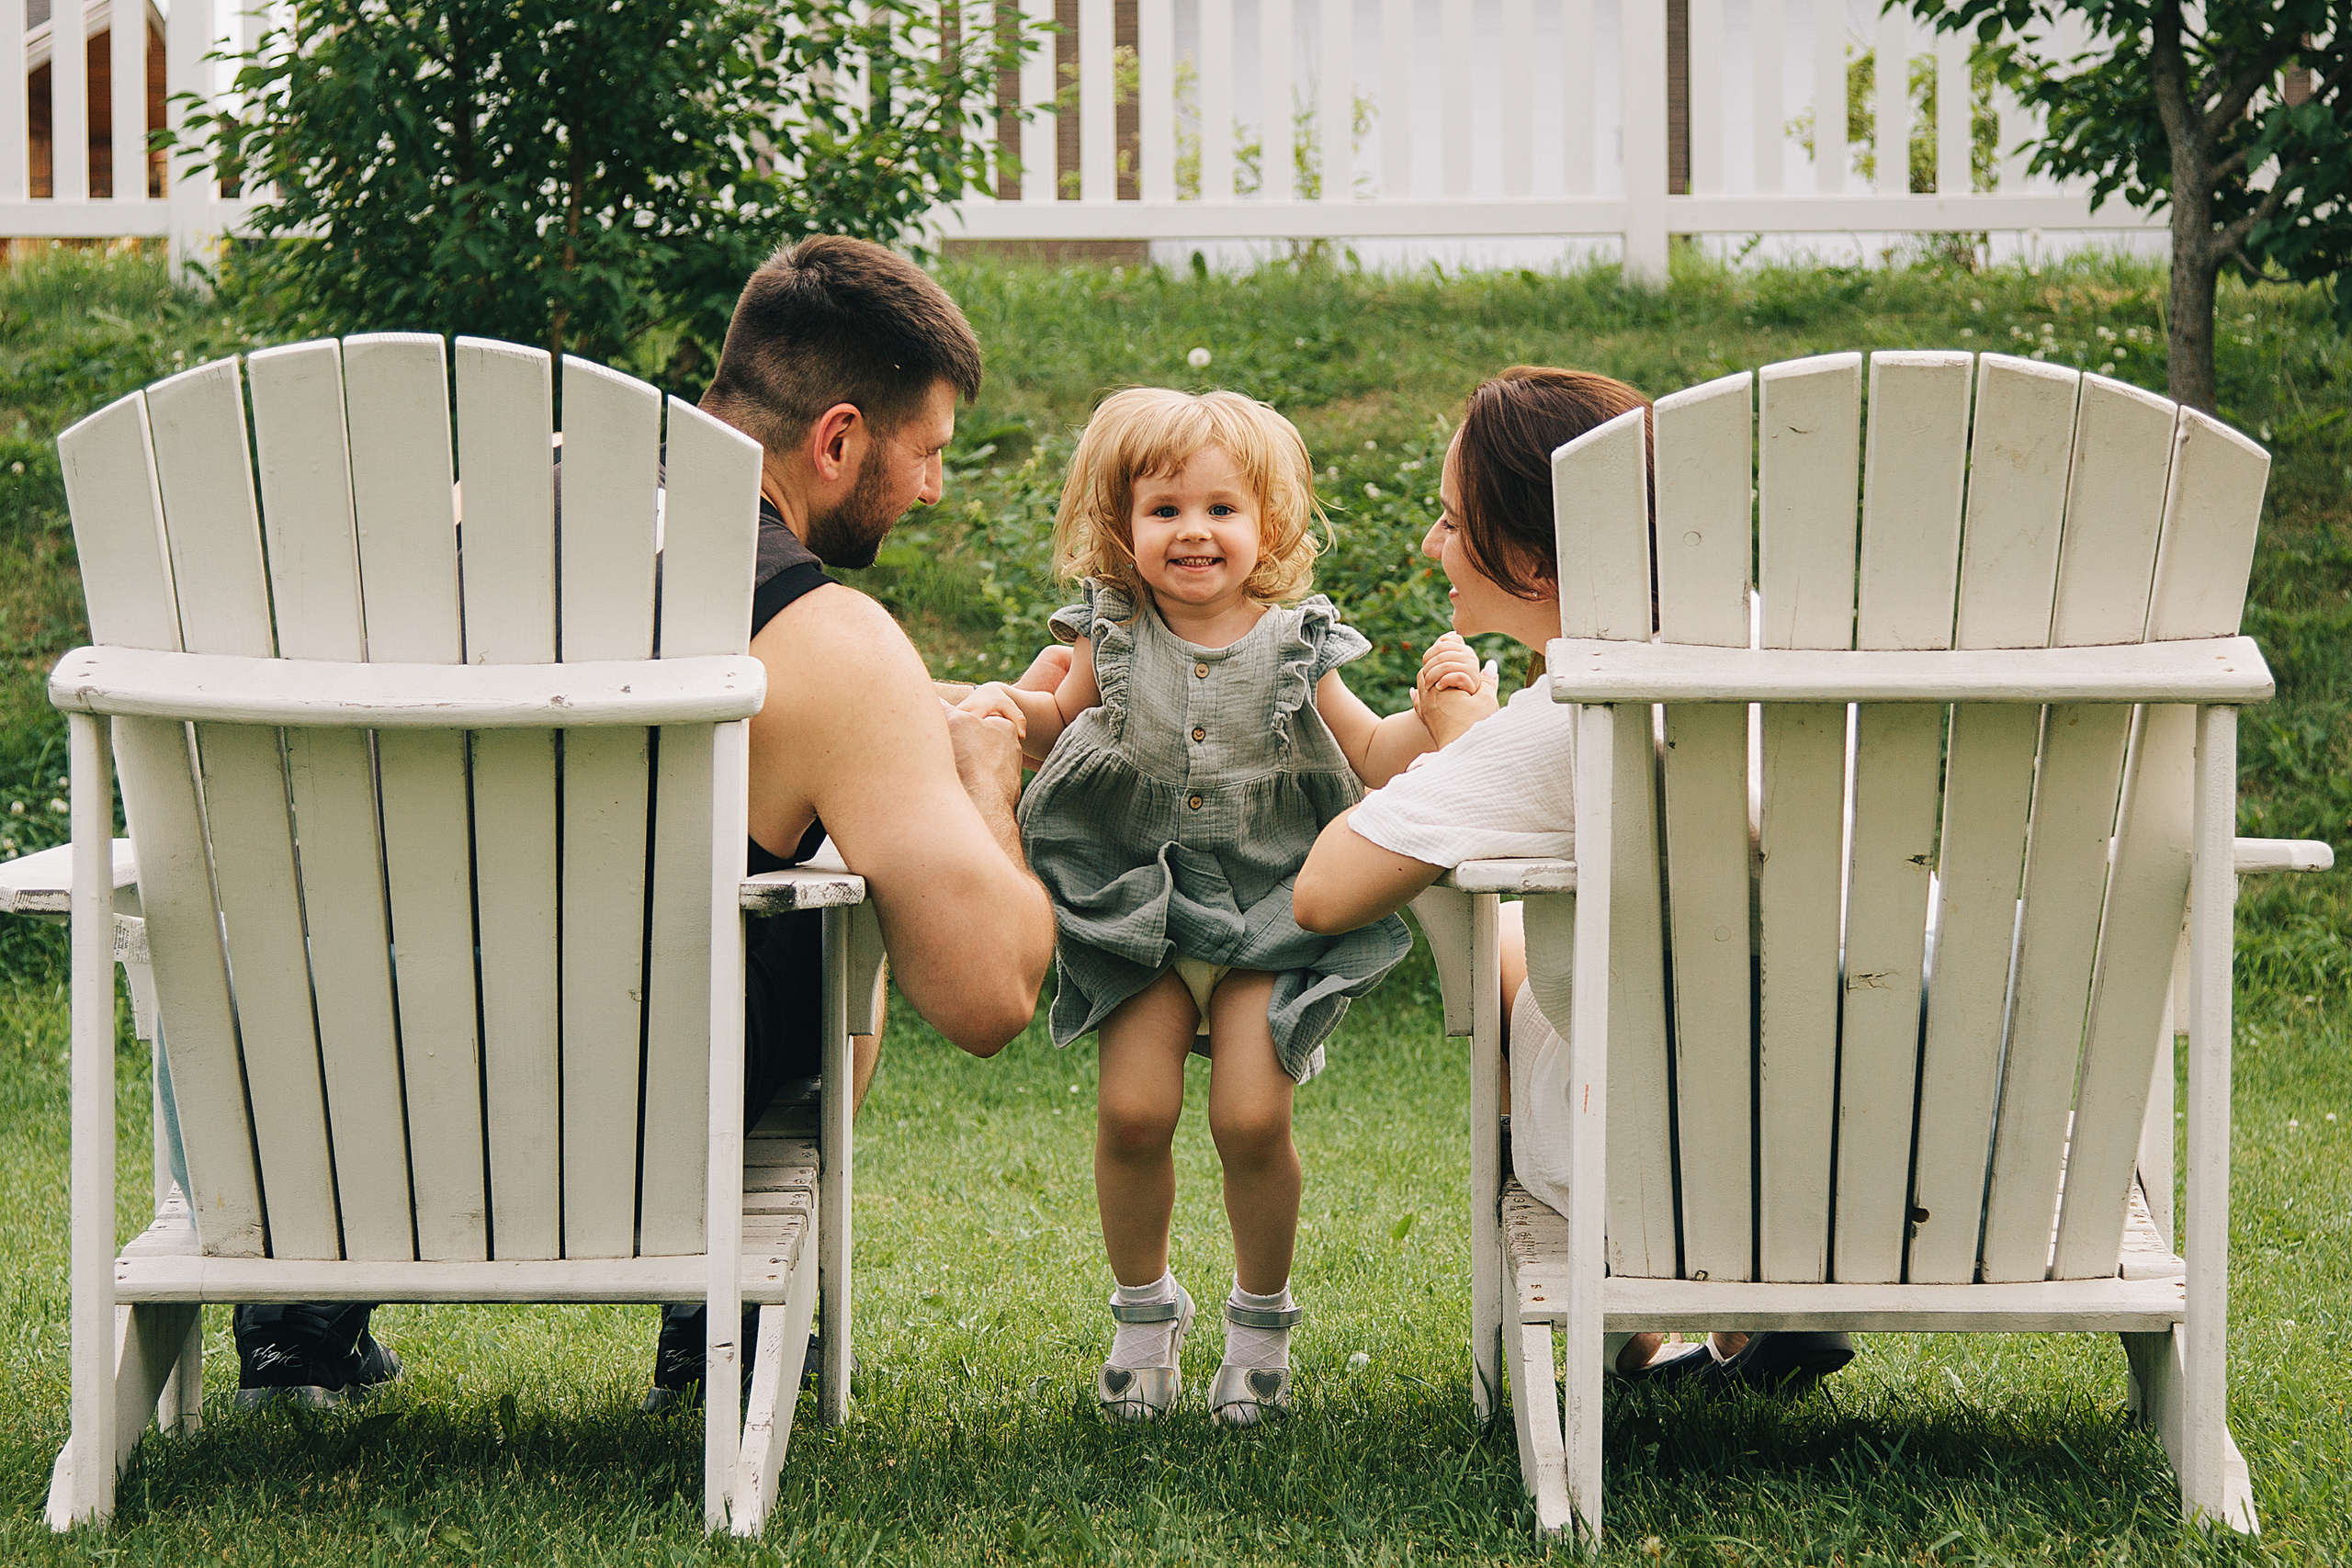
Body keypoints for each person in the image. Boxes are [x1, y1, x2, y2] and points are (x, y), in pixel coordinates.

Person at [1290, 366, 1854, 1394]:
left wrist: (1465, 742)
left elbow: (1325, 889)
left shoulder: (1576, 713)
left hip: (1695, 1172)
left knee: (1510, 961)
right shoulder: (1784, 630)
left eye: (1452, 522)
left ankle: (1620, 1345)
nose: (1431, 545)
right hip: (1930, 1121)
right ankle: (1742, 1329)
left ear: (1533, 558)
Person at [955, 387, 1488, 1425]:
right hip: (1136, 905)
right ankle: (1143, 1315)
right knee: (1132, 1113)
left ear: (1268, 527)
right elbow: (1040, 720)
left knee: (1250, 1117)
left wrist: (1431, 718)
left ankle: (1259, 1324)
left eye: (1221, 510)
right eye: (1164, 512)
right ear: (1121, 528)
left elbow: (1373, 756)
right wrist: (994, 705)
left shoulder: (1297, 644)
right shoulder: (1102, 637)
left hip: (1269, 909)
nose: (1193, 532)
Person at [636, 235, 1061, 1409]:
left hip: (333, 1076)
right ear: (836, 440)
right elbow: (988, 997)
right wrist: (977, 766)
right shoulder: (825, 639)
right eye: (926, 454)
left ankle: (298, 1326)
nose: (934, 489)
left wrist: (899, 721)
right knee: (840, 894)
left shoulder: (457, 527)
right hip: (636, 1091)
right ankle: (713, 1311)